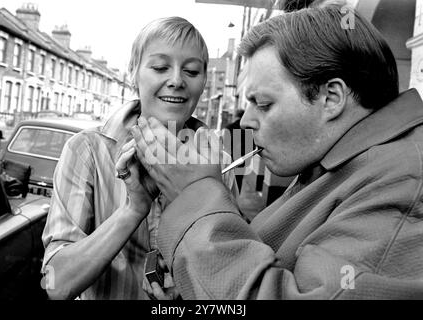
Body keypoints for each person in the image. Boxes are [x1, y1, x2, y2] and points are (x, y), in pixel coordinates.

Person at [133, 4, 423, 299]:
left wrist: (195, 196)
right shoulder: (335, 162)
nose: (245, 121)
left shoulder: (404, 183)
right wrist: (194, 284)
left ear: (331, 98)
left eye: (264, 103)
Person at [41, 16, 237, 300]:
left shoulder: (220, 164)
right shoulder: (85, 151)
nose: (177, 80)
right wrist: (133, 210)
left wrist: (190, 289)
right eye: (160, 67)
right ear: (133, 72)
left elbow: (231, 278)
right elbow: (57, 284)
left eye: (192, 71)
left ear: (204, 81)